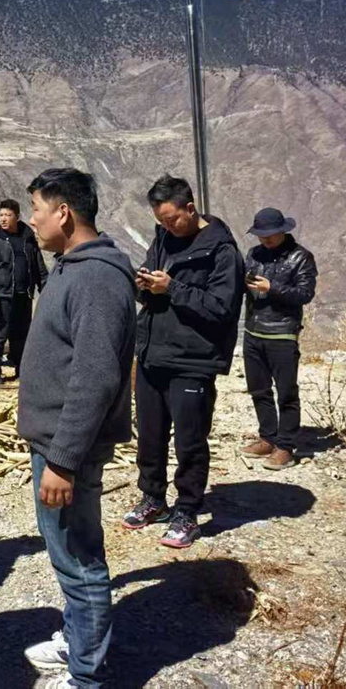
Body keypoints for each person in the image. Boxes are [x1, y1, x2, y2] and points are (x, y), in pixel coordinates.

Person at [17, 168, 136, 689]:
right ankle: (77, 638)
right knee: (68, 552)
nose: (32, 221)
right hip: (56, 443)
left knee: (80, 559)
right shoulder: (72, 267)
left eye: (37, 210)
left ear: (63, 213)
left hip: (69, 450)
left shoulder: (95, 279)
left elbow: (94, 377)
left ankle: (87, 676)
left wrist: (63, 460)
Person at [122, 175, 244, 549]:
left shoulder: (222, 251)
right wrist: (144, 285)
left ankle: (187, 511)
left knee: (190, 440)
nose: (167, 226)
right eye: (161, 221)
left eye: (172, 219)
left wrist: (171, 288)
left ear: (190, 208)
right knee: (150, 434)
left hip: (193, 359)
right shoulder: (163, 238)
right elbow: (153, 284)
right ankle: (153, 498)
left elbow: (222, 308)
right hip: (153, 351)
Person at [240, 207, 318, 471]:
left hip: (282, 333)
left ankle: (285, 446)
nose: (266, 239)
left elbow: (305, 294)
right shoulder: (254, 255)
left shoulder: (301, 257)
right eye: (262, 234)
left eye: (271, 234)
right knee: (258, 389)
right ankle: (268, 438)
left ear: (283, 231)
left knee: (286, 392)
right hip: (253, 331)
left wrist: (271, 288)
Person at [0, 198, 48, 385]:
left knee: (22, 334)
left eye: (8, 215)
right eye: (1, 215)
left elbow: (38, 266)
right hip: (3, 295)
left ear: (16, 217)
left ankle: (21, 369)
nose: (3, 218)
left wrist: (46, 288)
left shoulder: (28, 239)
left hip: (24, 295)